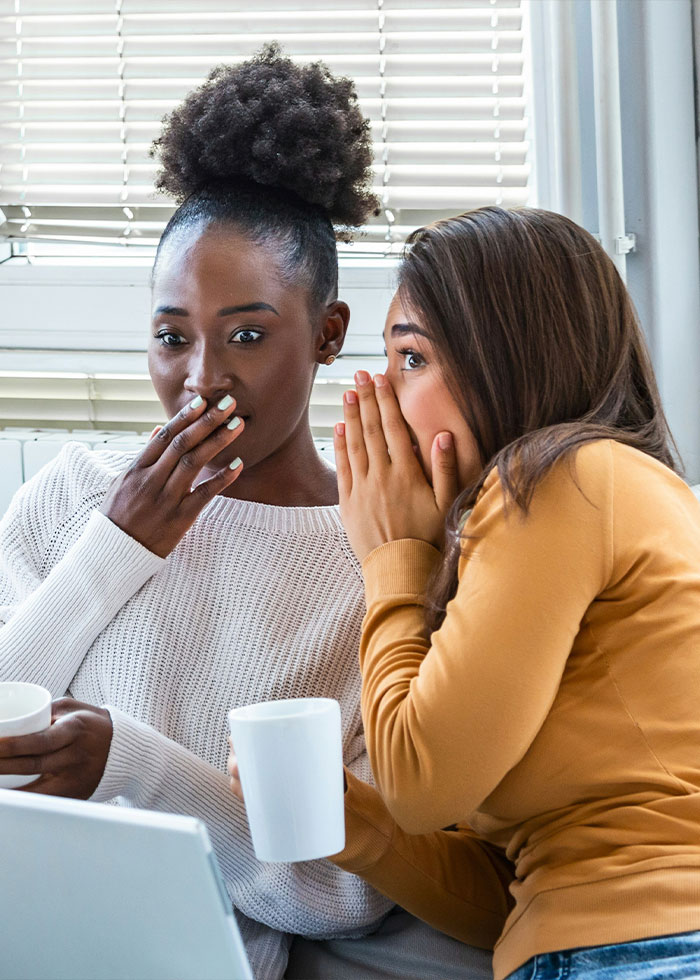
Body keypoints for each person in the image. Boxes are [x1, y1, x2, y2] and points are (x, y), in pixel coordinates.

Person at [0, 47, 493, 980]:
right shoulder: (72, 497)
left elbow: (344, 892)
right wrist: (116, 548)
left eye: (250, 336)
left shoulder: (378, 561)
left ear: (330, 335)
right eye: (171, 336)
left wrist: (128, 764)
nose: (202, 381)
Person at [231, 206, 700, 979]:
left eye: (410, 358)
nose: (379, 392)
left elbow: (420, 784)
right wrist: (354, 822)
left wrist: (392, 556)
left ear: (505, 359)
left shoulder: (560, 477)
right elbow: (508, 900)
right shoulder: (588, 499)